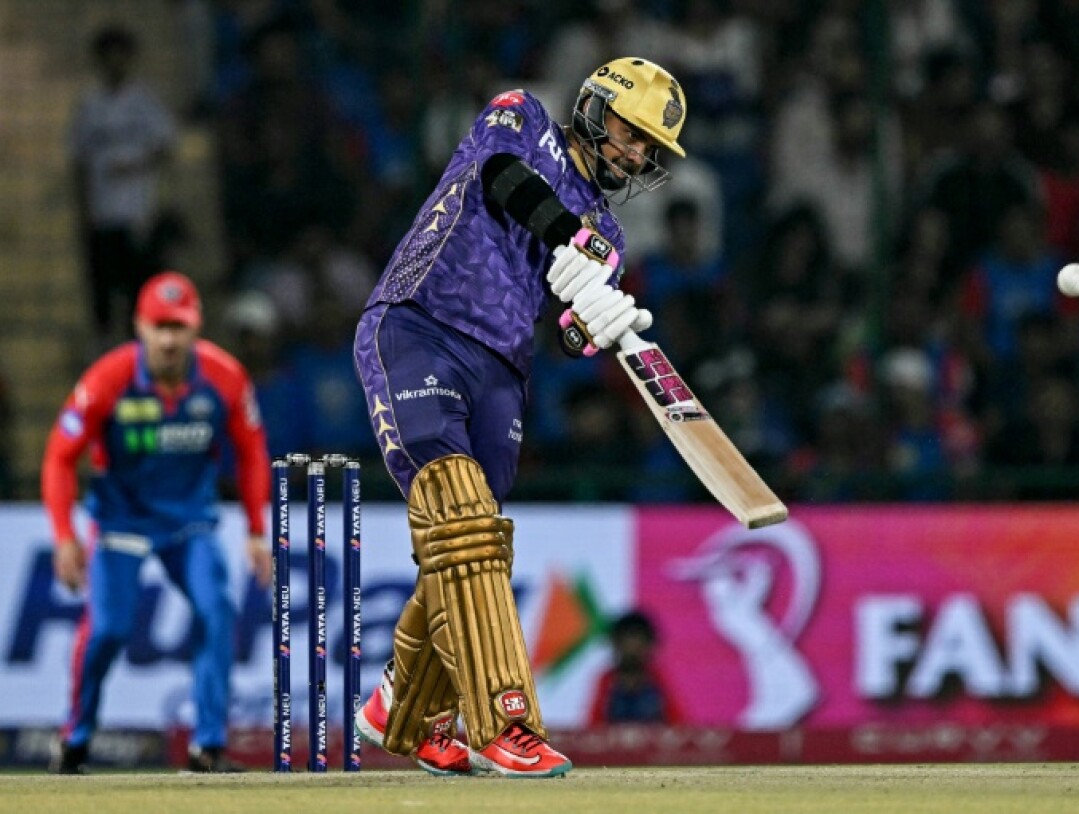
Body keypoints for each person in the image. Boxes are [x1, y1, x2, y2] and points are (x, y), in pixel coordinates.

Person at [351, 57, 688, 777]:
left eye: (649, 152)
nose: (635, 156)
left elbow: (567, 332)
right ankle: (506, 722)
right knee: (464, 518)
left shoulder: (608, 236)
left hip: (502, 373)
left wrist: (597, 318)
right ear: (597, 109)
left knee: (465, 543)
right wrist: (569, 238)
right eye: (632, 134)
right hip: (419, 325)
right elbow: (503, 180)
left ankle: (399, 708)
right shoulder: (521, 117)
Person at [41, 271, 271, 774]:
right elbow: (60, 458)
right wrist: (64, 537)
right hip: (121, 520)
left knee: (217, 612)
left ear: (197, 327)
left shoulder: (224, 376)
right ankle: (74, 740)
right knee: (108, 631)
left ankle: (207, 746)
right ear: (140, 326)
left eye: (179, 327)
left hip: (190, 522)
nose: (169, 339)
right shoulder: (107, 379)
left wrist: (256, 530)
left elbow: (252, 451)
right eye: (160, 326)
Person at [69, 26, 177, 345]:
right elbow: (79, 161)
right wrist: (84, 210)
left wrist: (136, 165)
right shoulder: (89, 106)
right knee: (104, 291)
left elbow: (165, 145)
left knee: (138, 288)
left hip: (138, 211)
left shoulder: (144, 101)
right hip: (103, 214)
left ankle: (140, 348)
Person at [588, 611, 681, 725]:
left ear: (648, 645)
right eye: (627, 641)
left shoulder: (657, 680)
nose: (632, 649)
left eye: (638, 642)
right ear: (617, 644)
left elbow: (677, 724)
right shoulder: (607, 681)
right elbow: (593, 725)